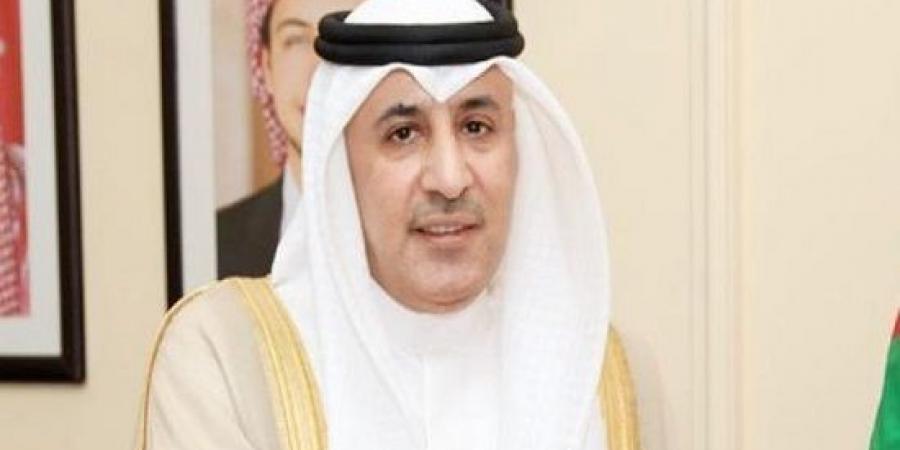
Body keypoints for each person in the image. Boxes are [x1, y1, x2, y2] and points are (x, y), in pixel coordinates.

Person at [138, 0, 627, 448]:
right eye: (403, 134)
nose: (449, 179)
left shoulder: (605, 376)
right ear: (342, 166)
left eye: (476, 127)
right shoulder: (223, 355)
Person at [216, 0, 359, 278]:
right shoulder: (215, 246)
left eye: (343, 35)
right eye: (295, 41)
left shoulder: (434, 233)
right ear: (266, 67)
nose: (318, 71)